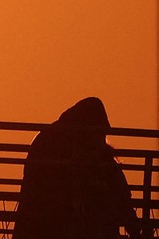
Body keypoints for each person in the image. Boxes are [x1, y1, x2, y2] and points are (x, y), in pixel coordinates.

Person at [12, 97, 141, 239]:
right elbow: (117, 191)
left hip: (40, 225)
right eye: (99, 134)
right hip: (56, 223)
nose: (101, 139)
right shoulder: (70, 148)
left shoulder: (49, 139)